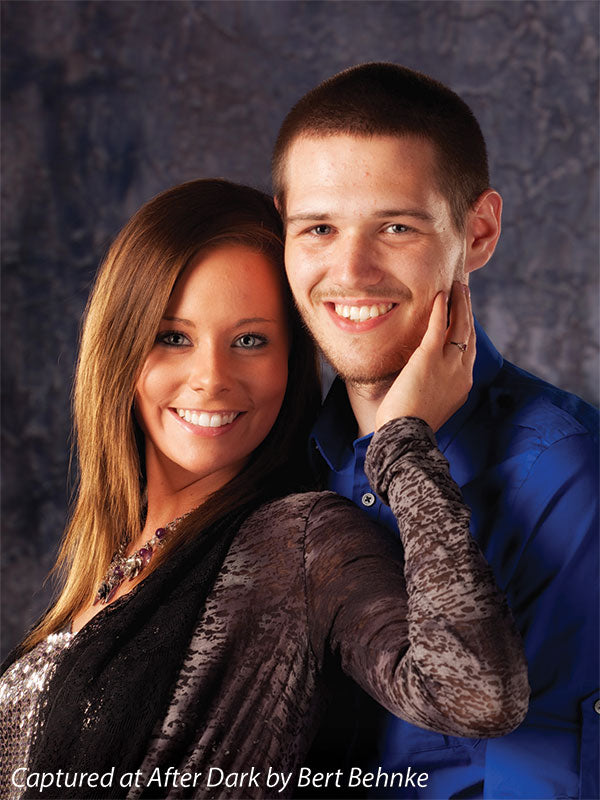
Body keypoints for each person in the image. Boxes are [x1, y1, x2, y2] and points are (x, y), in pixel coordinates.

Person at [0, 179, 527, 800]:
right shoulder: (114, 558)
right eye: (174, 337)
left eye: (250, 341)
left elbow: (476, 696)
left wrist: (403, 444)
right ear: (120, 350)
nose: (211, 378)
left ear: (291, 362)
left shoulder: (298, 540)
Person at [272, 63, 599, 799]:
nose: (351, 271)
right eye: (319, 229)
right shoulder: (288, 454)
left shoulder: (565, 472)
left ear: (477, 232)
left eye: (396, 227)